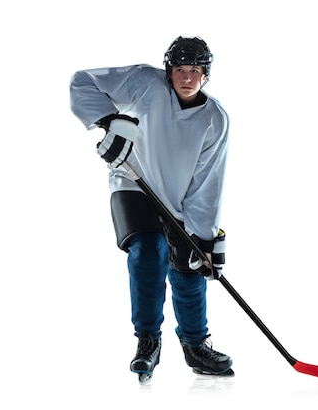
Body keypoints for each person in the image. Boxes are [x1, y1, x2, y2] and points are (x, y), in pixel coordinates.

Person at [69, 36, 233, 383]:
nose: (186, 77)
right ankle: (148, 341)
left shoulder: (215, 119)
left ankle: (195, 345)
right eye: (179, 69)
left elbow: (208, 181)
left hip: (176, 201)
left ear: (205, 74)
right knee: (149, 250)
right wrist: (109, 121)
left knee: (189, 266)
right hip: (132, 181)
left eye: (194, 70)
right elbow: (82, 82)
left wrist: (203, 240)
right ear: (168, 70)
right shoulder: (146, 83)